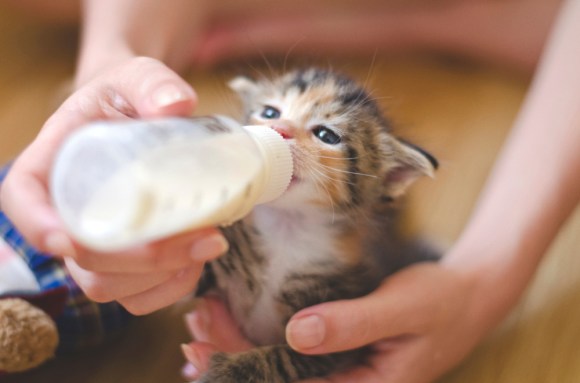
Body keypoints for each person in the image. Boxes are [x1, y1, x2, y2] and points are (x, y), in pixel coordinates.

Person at [0, 0, 578, 382]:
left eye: (324, 134)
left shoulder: (346, 268)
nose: (279, 131)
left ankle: (427, 16)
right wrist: (107, 65)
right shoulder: (230, 215)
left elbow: (330, 349)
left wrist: (483, 278)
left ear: (385, 181)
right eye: (271, 111)